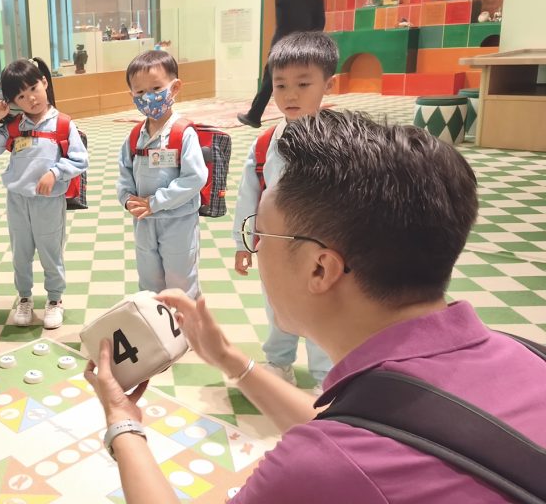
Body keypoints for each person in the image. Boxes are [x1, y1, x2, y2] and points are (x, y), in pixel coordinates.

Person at [87, 110, 546, 503]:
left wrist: (122, 423)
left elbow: (341, 453)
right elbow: (371, 426)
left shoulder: (323, 466)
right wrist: (229, 359)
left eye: (261, 234)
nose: (255, 249)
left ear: (320, 268)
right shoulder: (524, 356)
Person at [234, 31, 336, 393]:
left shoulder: (340, 141)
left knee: (323, 311)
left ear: (328, 85)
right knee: (278, 308)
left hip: (323, 249)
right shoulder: (266, 144)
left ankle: (327, 376)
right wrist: (243, 244)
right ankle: (278, 363)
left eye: (303, 84)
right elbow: (249, 195)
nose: (290, 95)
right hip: (275, 248)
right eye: (280, 85)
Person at [0, 57, 89, 329]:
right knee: (21, 253)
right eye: (21, 96)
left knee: (51, 252)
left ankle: (55, 299)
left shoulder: (62, 124)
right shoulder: (15, 126)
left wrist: (55, 173)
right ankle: (24, 298)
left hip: (48, 203)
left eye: (33, 89)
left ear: (45, 83)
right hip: (17, 201)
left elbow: (80, 159)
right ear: (13, 101)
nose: (30, 99)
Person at [117, 51, 208, 298]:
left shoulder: (182, 133)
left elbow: (195, 177)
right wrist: (127, 199)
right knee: (149, 283)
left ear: (174, 88)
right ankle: (155, 320)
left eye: (156, 88)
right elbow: (124, 173)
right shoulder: (134, 137)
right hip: (144, 223)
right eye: (140, 92)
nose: (148, 97)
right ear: (132, 95)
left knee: (181, 282)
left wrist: (156, 202)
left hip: (178, 222)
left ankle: (185, 322)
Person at [238, 0, 325, 128]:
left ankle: (254, 115)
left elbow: (282, 22)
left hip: (283, 44)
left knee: (271, 78)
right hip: (306, 45)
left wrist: (279, 45)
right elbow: (320, 22)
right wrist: (308, 41)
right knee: (304, 81)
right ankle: (307, 119)